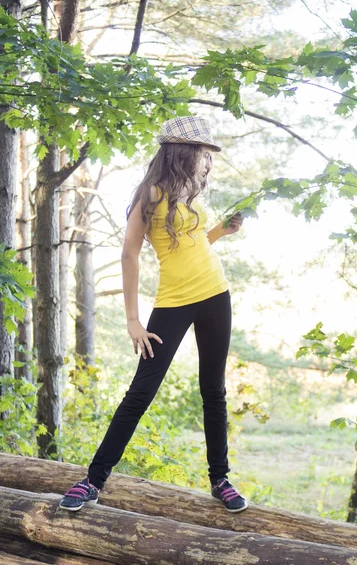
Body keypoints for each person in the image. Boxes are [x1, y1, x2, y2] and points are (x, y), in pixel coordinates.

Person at [59, 115, 247, 513]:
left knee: (213, 389)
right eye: (202, 153)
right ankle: (93, 480)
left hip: (216, 293)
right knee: (141, 391)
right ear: (183, 152)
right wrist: (133, 321)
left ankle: (221, 479)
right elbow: (130, 254)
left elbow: (193, 244)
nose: (207, 161)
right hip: (173, 301)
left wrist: (221, 232)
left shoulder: (192, 192)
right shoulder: (150, 194)